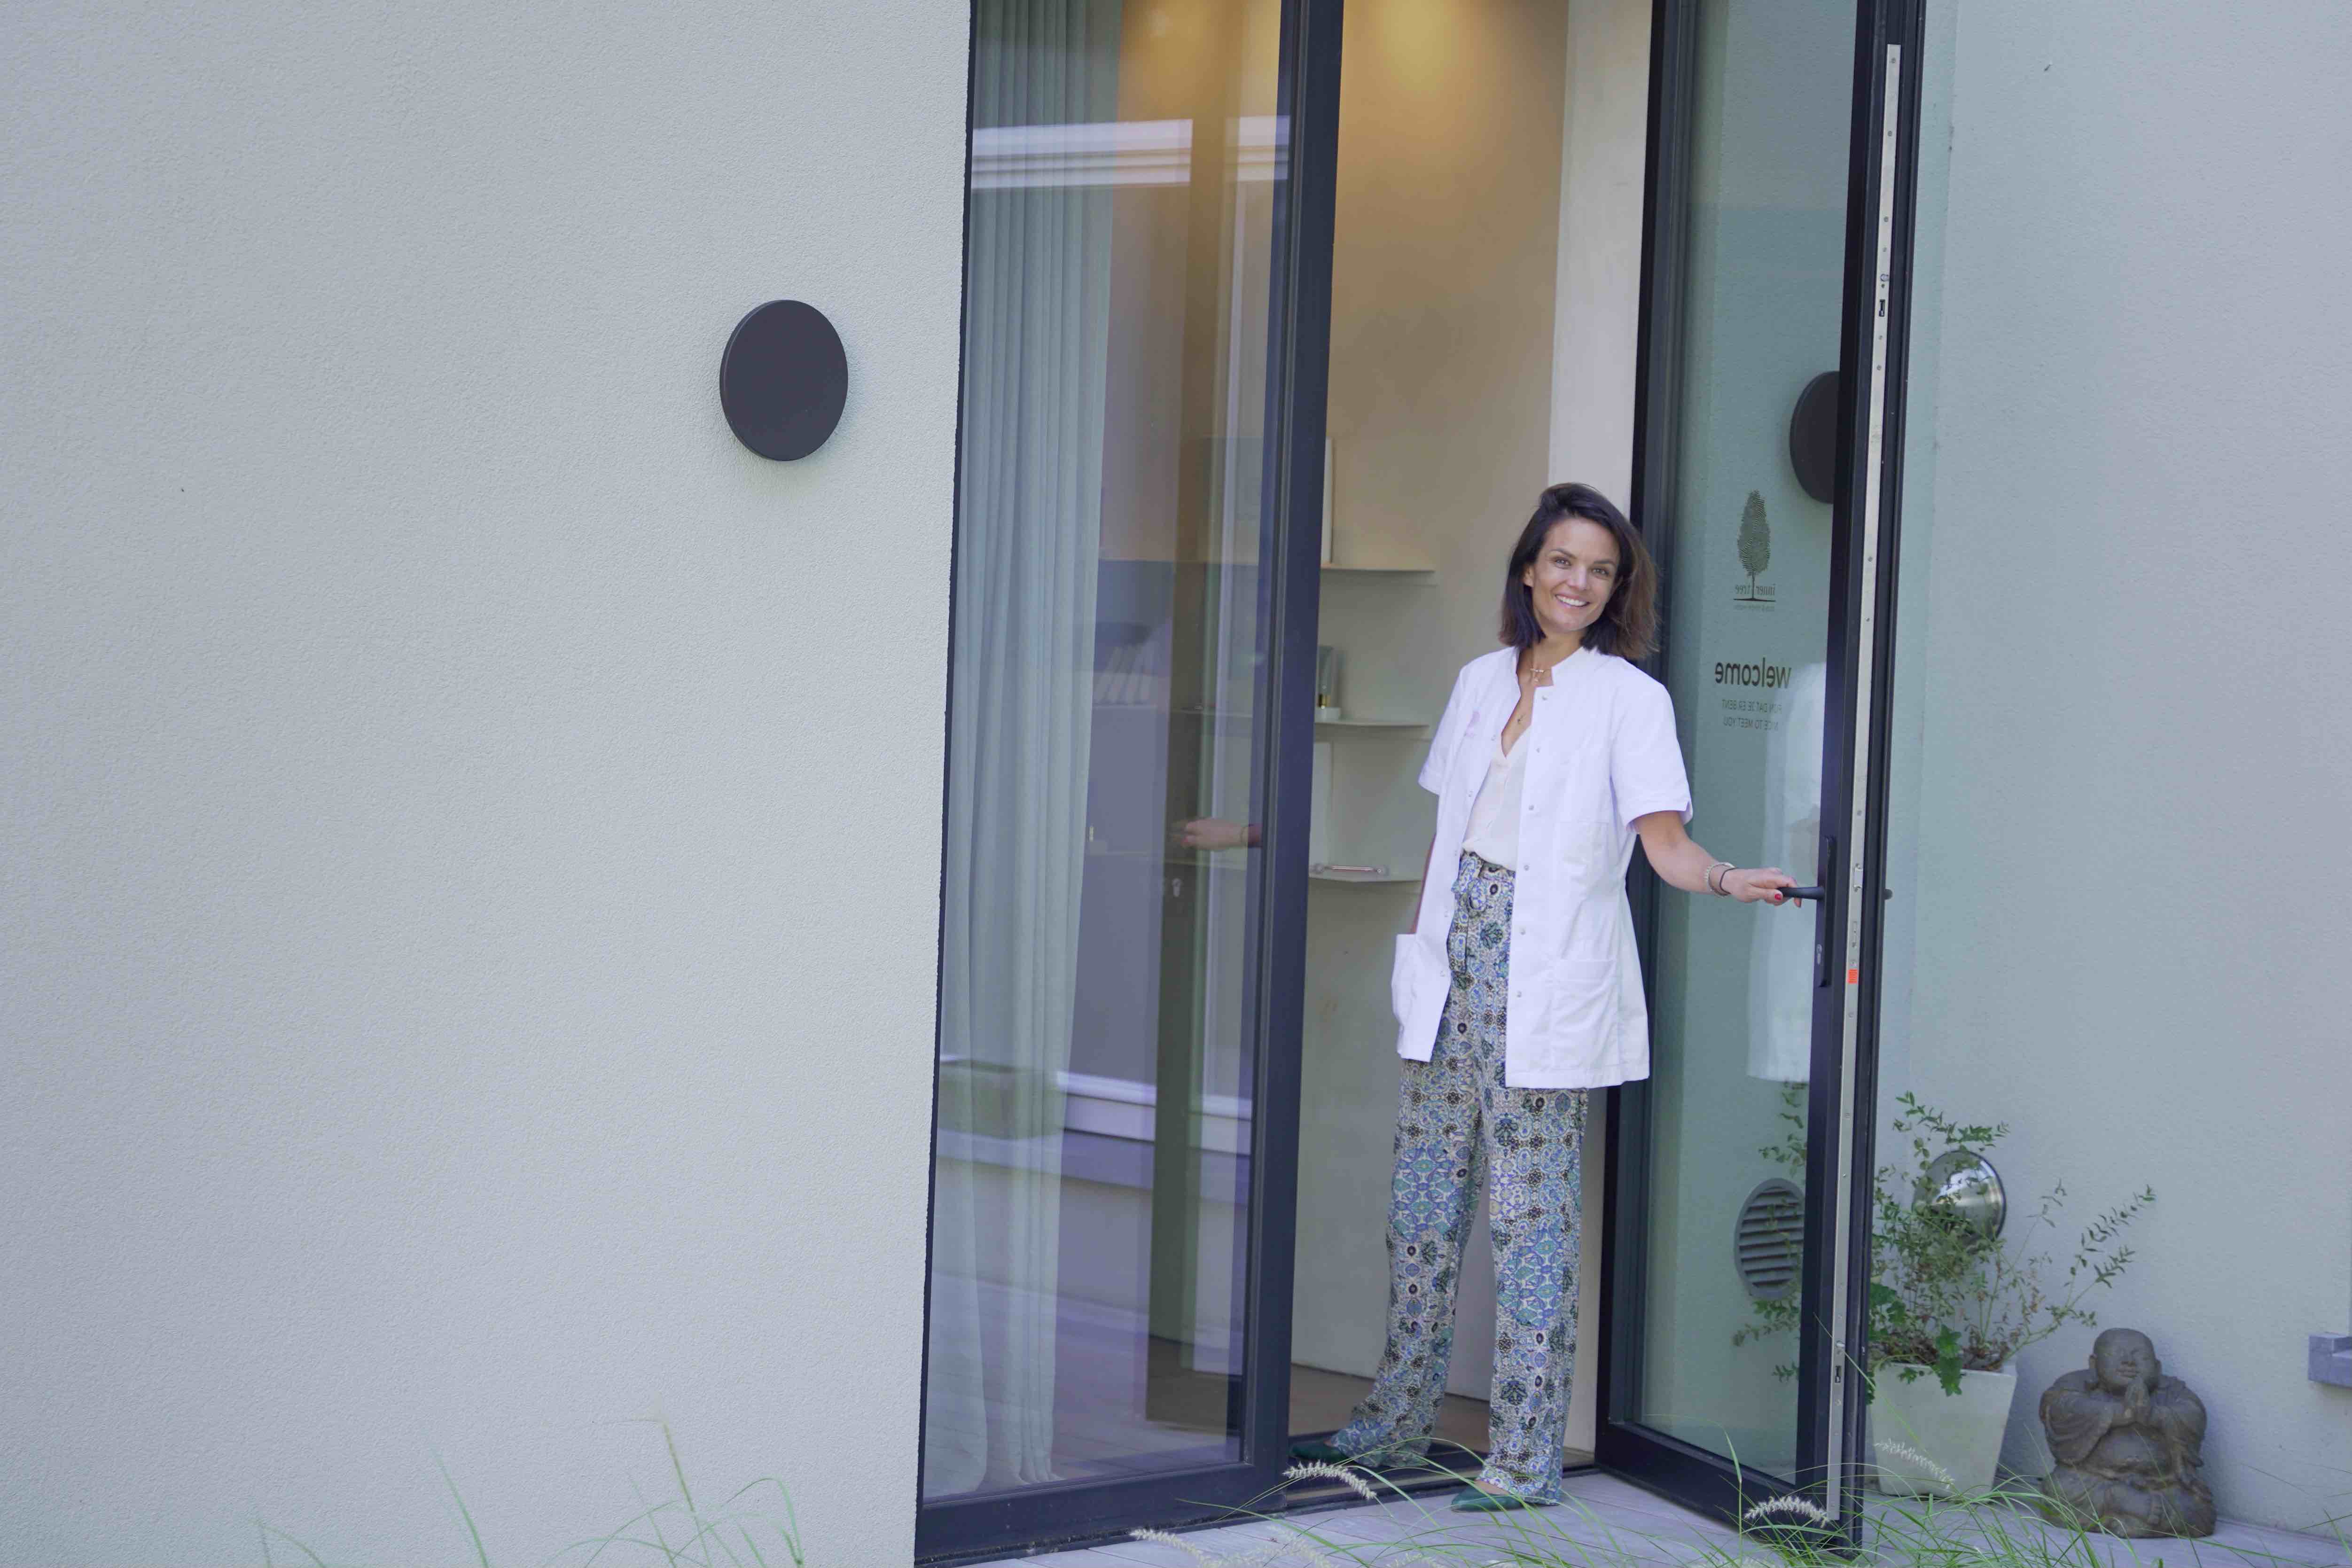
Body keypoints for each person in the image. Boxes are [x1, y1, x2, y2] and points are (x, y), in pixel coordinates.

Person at [1293, 482, 1800, 1511]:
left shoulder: (1629, 699)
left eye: (1599, 570)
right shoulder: (1480, 680)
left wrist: (1723, 877)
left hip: (1545, 975)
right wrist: (1420, 946)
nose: (1578, 582)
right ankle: (1396, 1418)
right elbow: (1449, 832)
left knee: (1531, 1224)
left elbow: (1663, 843)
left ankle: (1524, 1458)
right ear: (1528, 568)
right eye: (1562, 560)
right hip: (1452, 963)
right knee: (1421, 1210)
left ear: (1616, 590)